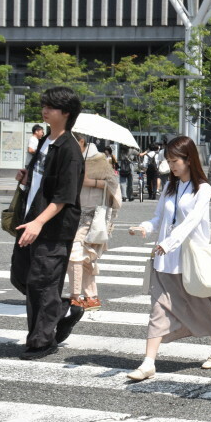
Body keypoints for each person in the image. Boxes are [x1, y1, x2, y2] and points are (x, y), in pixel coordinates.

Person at [127, 136, 211, 380]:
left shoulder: (203, 189)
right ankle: (149, 362)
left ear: (189, 159)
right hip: (164, 259)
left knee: (202, 304)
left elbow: (191, 222)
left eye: (175, 160)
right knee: (158, 308)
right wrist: (144, 228)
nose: (171, 165)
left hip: (188, 258)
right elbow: (159, 218)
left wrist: (168, 243)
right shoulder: (170, 188)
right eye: (169, 161)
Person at [10, 86, 85, 360]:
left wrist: (39, 223)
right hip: (31, 220)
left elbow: (64, 197)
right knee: (21, 274)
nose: (45, 110)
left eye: (50, 107)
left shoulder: (70, 150)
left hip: (52, 228)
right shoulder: (46, 142)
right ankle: (63, 309)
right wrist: (28, 177)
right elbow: (43, 182)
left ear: (65, 113)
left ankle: (42, 341)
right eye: (45, 105)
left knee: (42, 283)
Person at [68, 133, 121, 311]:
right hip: (72, 212)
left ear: (81, 142)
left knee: (76, 254)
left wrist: (90, 181)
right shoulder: (70, 159)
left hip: (92, 215)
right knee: (83, 258)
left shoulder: (99, 160)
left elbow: (113, 185)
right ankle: (91, 296)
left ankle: (75, 296)